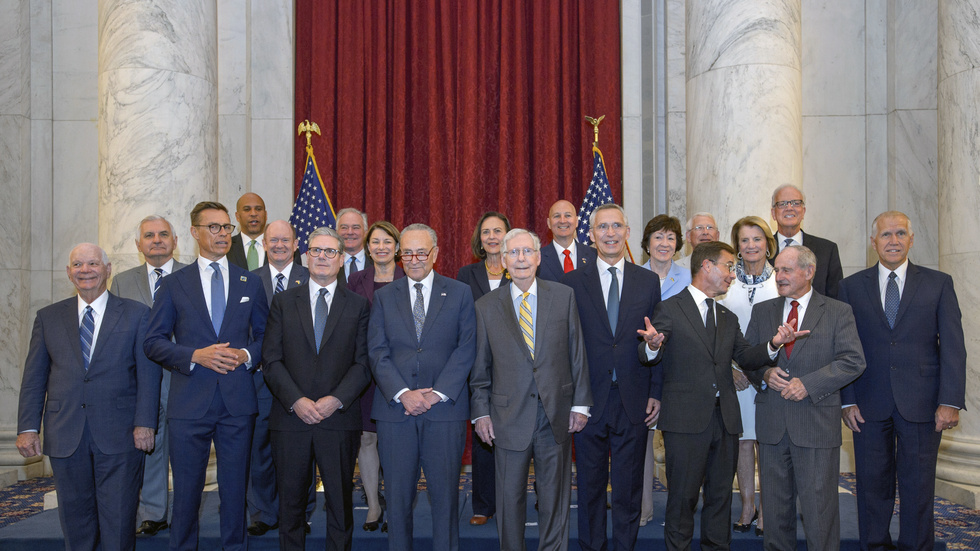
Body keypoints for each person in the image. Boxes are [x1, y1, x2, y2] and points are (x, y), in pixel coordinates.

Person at [637, 241, 802, 551]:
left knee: (721, 497)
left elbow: (748, 357)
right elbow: (648, 353)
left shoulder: (727, 317)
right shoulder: (670, 308)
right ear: (707, 267)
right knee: (683, 499)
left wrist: (773, 344)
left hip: (725, 421)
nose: (732, 275)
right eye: (728, 266)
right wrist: (653, 345)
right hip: (685, 422)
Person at [18, 243, 160, 551]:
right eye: (78, 265)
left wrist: (145, 423)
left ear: (108, 270)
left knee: (119, 518)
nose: (86, 271)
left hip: (121, 433)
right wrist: (28, 426)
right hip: (65, 431)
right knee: (75, 519)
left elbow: (148, 376)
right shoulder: (48, 317)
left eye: (93, 264)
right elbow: (34, 377)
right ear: (69, 273)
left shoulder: (137, 314)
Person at [144, 201, 269, 551]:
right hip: (189, 404)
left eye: (226, 227)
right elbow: (152, 342)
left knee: (234, 491)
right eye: (213, 227)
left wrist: (245, 355)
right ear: (195, 233)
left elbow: (265, 338)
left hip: (237, 403)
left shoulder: (251, 282)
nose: (222, 234)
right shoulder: (173, 284)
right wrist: (194, 355)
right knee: (185, 493)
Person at [839, 211, 965, 551]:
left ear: (911, 239)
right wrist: (847, 399)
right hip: (867, 403)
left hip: (924, 404)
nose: (892, 241)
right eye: (885, 235)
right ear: (873, 242)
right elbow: (843, 348)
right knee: (870, 487)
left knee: (918, 487)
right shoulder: (850, 287)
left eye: (899, 234)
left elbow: (954, 346)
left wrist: (950, 401)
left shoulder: (939, 283)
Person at [471, 228, 592, 551]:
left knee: (555, 498)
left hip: (556, 414)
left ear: (539, 258)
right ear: (503, 261)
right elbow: (480, 368)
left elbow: (576, 351)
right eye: (514, 253)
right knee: (509, 500)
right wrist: (480, 412)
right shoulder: (485, 306)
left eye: (527, 252)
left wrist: (581, 404)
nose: (521, 258)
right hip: (506, 417)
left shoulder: (562, 296)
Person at [744, 245, 866, 551]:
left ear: (809, 272)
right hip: (772, 426)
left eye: (786, 270)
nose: (779, 277)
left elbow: (853, 361)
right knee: (774, 512)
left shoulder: (838, 311)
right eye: (777, 271)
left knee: (819, 513)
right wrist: (766, 374)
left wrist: (809, 384)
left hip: (815, 425)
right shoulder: (763, 311)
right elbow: (748, 358)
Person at [368, 223, 477, 551]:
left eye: (421, 252)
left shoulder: (459, 292)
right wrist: (403, 393)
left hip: (444, 411)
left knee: (445, 500)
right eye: (408, 253)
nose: (414, 260)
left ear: (435, 253)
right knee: (398, 500)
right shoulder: (384, 296)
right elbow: (376, 350)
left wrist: (437, 392)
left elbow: (467, 347)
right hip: (395, 412)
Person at [262, 226, 371, 551]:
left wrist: (334, 400)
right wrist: (296, 400)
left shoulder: (358, 305)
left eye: (330, 252)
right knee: (291, 508)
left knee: (340, 506)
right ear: (305, 255)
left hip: (338, 420)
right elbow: (271, 359)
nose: (323, 257)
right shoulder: (282, 302)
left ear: (341, 259)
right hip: (290, 419)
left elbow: (363, 364)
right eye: (317, 251)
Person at [563, 204, 661, 551]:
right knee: (589, 487)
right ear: (590, 235)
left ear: (628, 232)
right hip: (588, 400)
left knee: (628, 488)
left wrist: (656, 389)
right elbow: (567, 344)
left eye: (616, 226)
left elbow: (656, 341)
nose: (610, 233)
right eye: (602, 227)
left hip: (633, 398)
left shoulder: (648, 281)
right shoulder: (572, 282)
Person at [110, 215, 186, 537]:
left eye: (163, 234)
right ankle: (154, 513)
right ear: (138, 244)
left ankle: (185, 512)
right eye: (149, 235)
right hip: (140, 378)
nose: (157, 240)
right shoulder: (122, 282)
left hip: (184, 376)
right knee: (150, 444)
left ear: (175, 240)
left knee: (186, 450)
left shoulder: (192, 276)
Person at [246, 220, 312, 536]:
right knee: (258, 447)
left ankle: (301, 512)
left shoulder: (311, 277)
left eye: (285, 240)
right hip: (259, 379)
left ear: (296, 244)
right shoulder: (248, 281)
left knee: (301, 448)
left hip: (301, 382)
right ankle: (262, 512)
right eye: (273, 241)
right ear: (264, 245)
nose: (279, 246)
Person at [716, 216, 778, 537]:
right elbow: (714, 329)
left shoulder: (780, 279)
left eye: (757, 239)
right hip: (736, 376)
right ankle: (747, 506)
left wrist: (765, 370)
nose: (751, 245)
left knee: (767, 443)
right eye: (744, 240)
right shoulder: (726, 281)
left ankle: (768, 509)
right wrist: (730, 368)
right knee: (742, 441)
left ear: (768, 243)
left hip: (770, 375)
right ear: (737, 246)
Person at [347, 220, 406, 532]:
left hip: (401, 372)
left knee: (396, 441)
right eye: (375, 242)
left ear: (397, 248)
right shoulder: (355, 280)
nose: (381, 247)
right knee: (367, 438)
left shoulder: (409, 277)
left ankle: (397, 506)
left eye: (387, 242)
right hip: (365, 373)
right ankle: (372, 505)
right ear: (367, 248)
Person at [456, 211, 511, 525]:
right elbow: (463, 320)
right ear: (480, 238)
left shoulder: (518, 268)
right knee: (483, 435)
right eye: (487, 231)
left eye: (498, 231)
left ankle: (512, 500)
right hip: (478, 365)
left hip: (513, 366)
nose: (492, 237)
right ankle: (483, 505)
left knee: (515, 437)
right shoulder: (467, 274)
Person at [637, 214, 690, 526]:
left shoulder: (688, 279)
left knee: (678, 448)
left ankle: (677, 514)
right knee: (641, 444)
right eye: (658, 237)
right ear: (646, 243)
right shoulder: (633, 276)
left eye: (670, 237)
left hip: (681, 371)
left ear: (678, 244)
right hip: (643, 370)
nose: (664, 243)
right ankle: (643, 510)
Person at [770, 184, 843, 297]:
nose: (789, 208)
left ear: (803, 211)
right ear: (773, 213)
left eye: (796, 203)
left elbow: (835, 299)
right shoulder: (762, 250)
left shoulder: (827, 250)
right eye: (782, 204)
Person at [538, 199, 597, 281]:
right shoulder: (538, 258)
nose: (562, 221)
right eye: (557, 216)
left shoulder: (594, 256)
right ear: (549, 223)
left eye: (568, 215)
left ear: (576, 221)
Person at [228, 192, 268, 270]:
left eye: (258, 209)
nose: (253, 214)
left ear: (265, 215)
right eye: (247, 209)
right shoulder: (226, 247)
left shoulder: (283, 248)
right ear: (237, 216)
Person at [336, 207, 370, 285]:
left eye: (356, 228)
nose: (350, 232)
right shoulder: (329, 263)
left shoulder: (376, 262)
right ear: (337, 232)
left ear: (365, 233)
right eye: (344, 228)